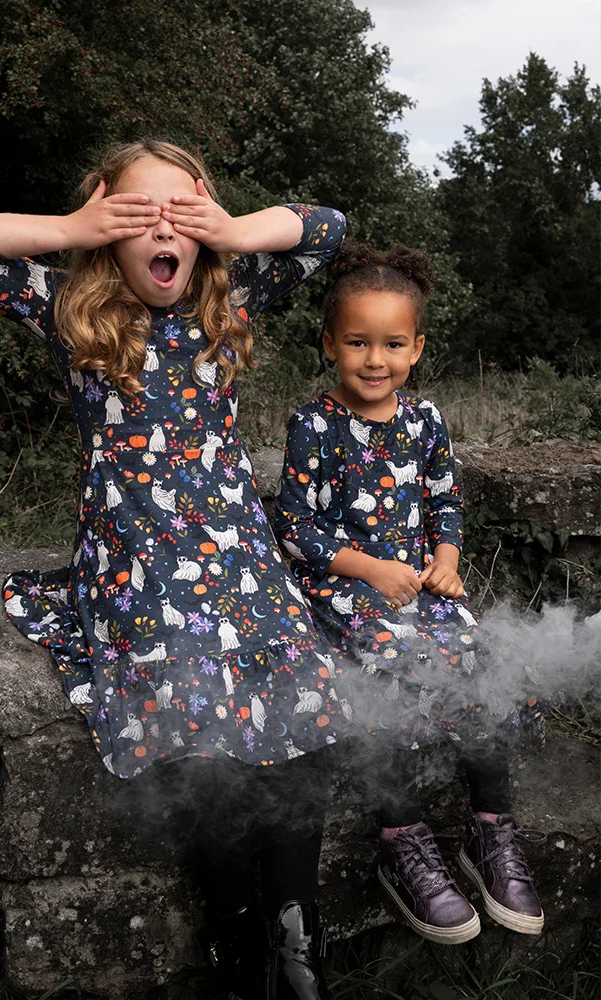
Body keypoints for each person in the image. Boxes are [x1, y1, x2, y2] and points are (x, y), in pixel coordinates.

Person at [0, 138, 350, 999]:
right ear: (110, 230)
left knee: (300, 721)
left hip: (240, 556)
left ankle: (297, 940)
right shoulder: (66, 302)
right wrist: (75, 225)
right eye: (137, 213)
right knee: (208, 742)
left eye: (179, 212)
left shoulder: (237, 294)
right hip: (137, 564)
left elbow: (326, 230)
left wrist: (230, 229)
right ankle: (237, 945)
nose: (162, 228)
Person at [275, 237, 545, 947]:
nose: (375, 359)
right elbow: (296, 528)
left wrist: (449, 557)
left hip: (420, 588)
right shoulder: (314, 426)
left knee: (481, 660)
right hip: (346, 592)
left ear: (417, 348)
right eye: (358, 342)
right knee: (385, 676)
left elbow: (445, 502)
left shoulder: (425, 422)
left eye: (393, 344)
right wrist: (367, 568)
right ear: (329, 344)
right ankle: (403, 840)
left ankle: (490, 829)